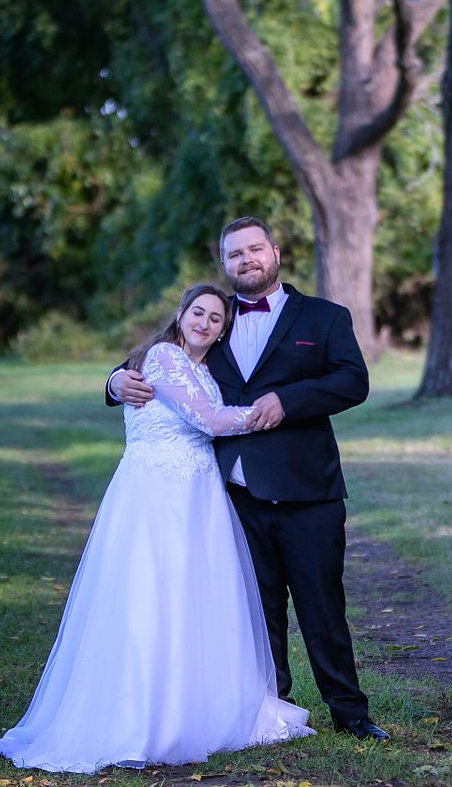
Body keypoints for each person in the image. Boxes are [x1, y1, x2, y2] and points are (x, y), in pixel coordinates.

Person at [0, 284, 312, 773]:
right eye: (197, 312)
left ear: (224, 331)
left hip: (199, 498)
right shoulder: (162, 356)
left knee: (196, 600)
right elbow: (210, 421)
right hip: (157, 497)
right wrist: (266, 412)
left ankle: (201, 709)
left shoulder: (204, 369)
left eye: (216, 319)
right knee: (148, 598)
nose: (204, 322)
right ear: (180, 314)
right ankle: (140, 718)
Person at [107, 216, 389, 741]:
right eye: (235, 254)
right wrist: (114, 379)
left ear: (275, 252)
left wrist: (289, 400)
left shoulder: (324, 317)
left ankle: (350, 713)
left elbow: (353, 380)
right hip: (232, 493)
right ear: (225, 265)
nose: (246, 260)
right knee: (254, 611)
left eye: (254, 249)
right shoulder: (214, 319)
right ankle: (267, 707)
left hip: (308, 488)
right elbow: (151, 361)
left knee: (322, 606)